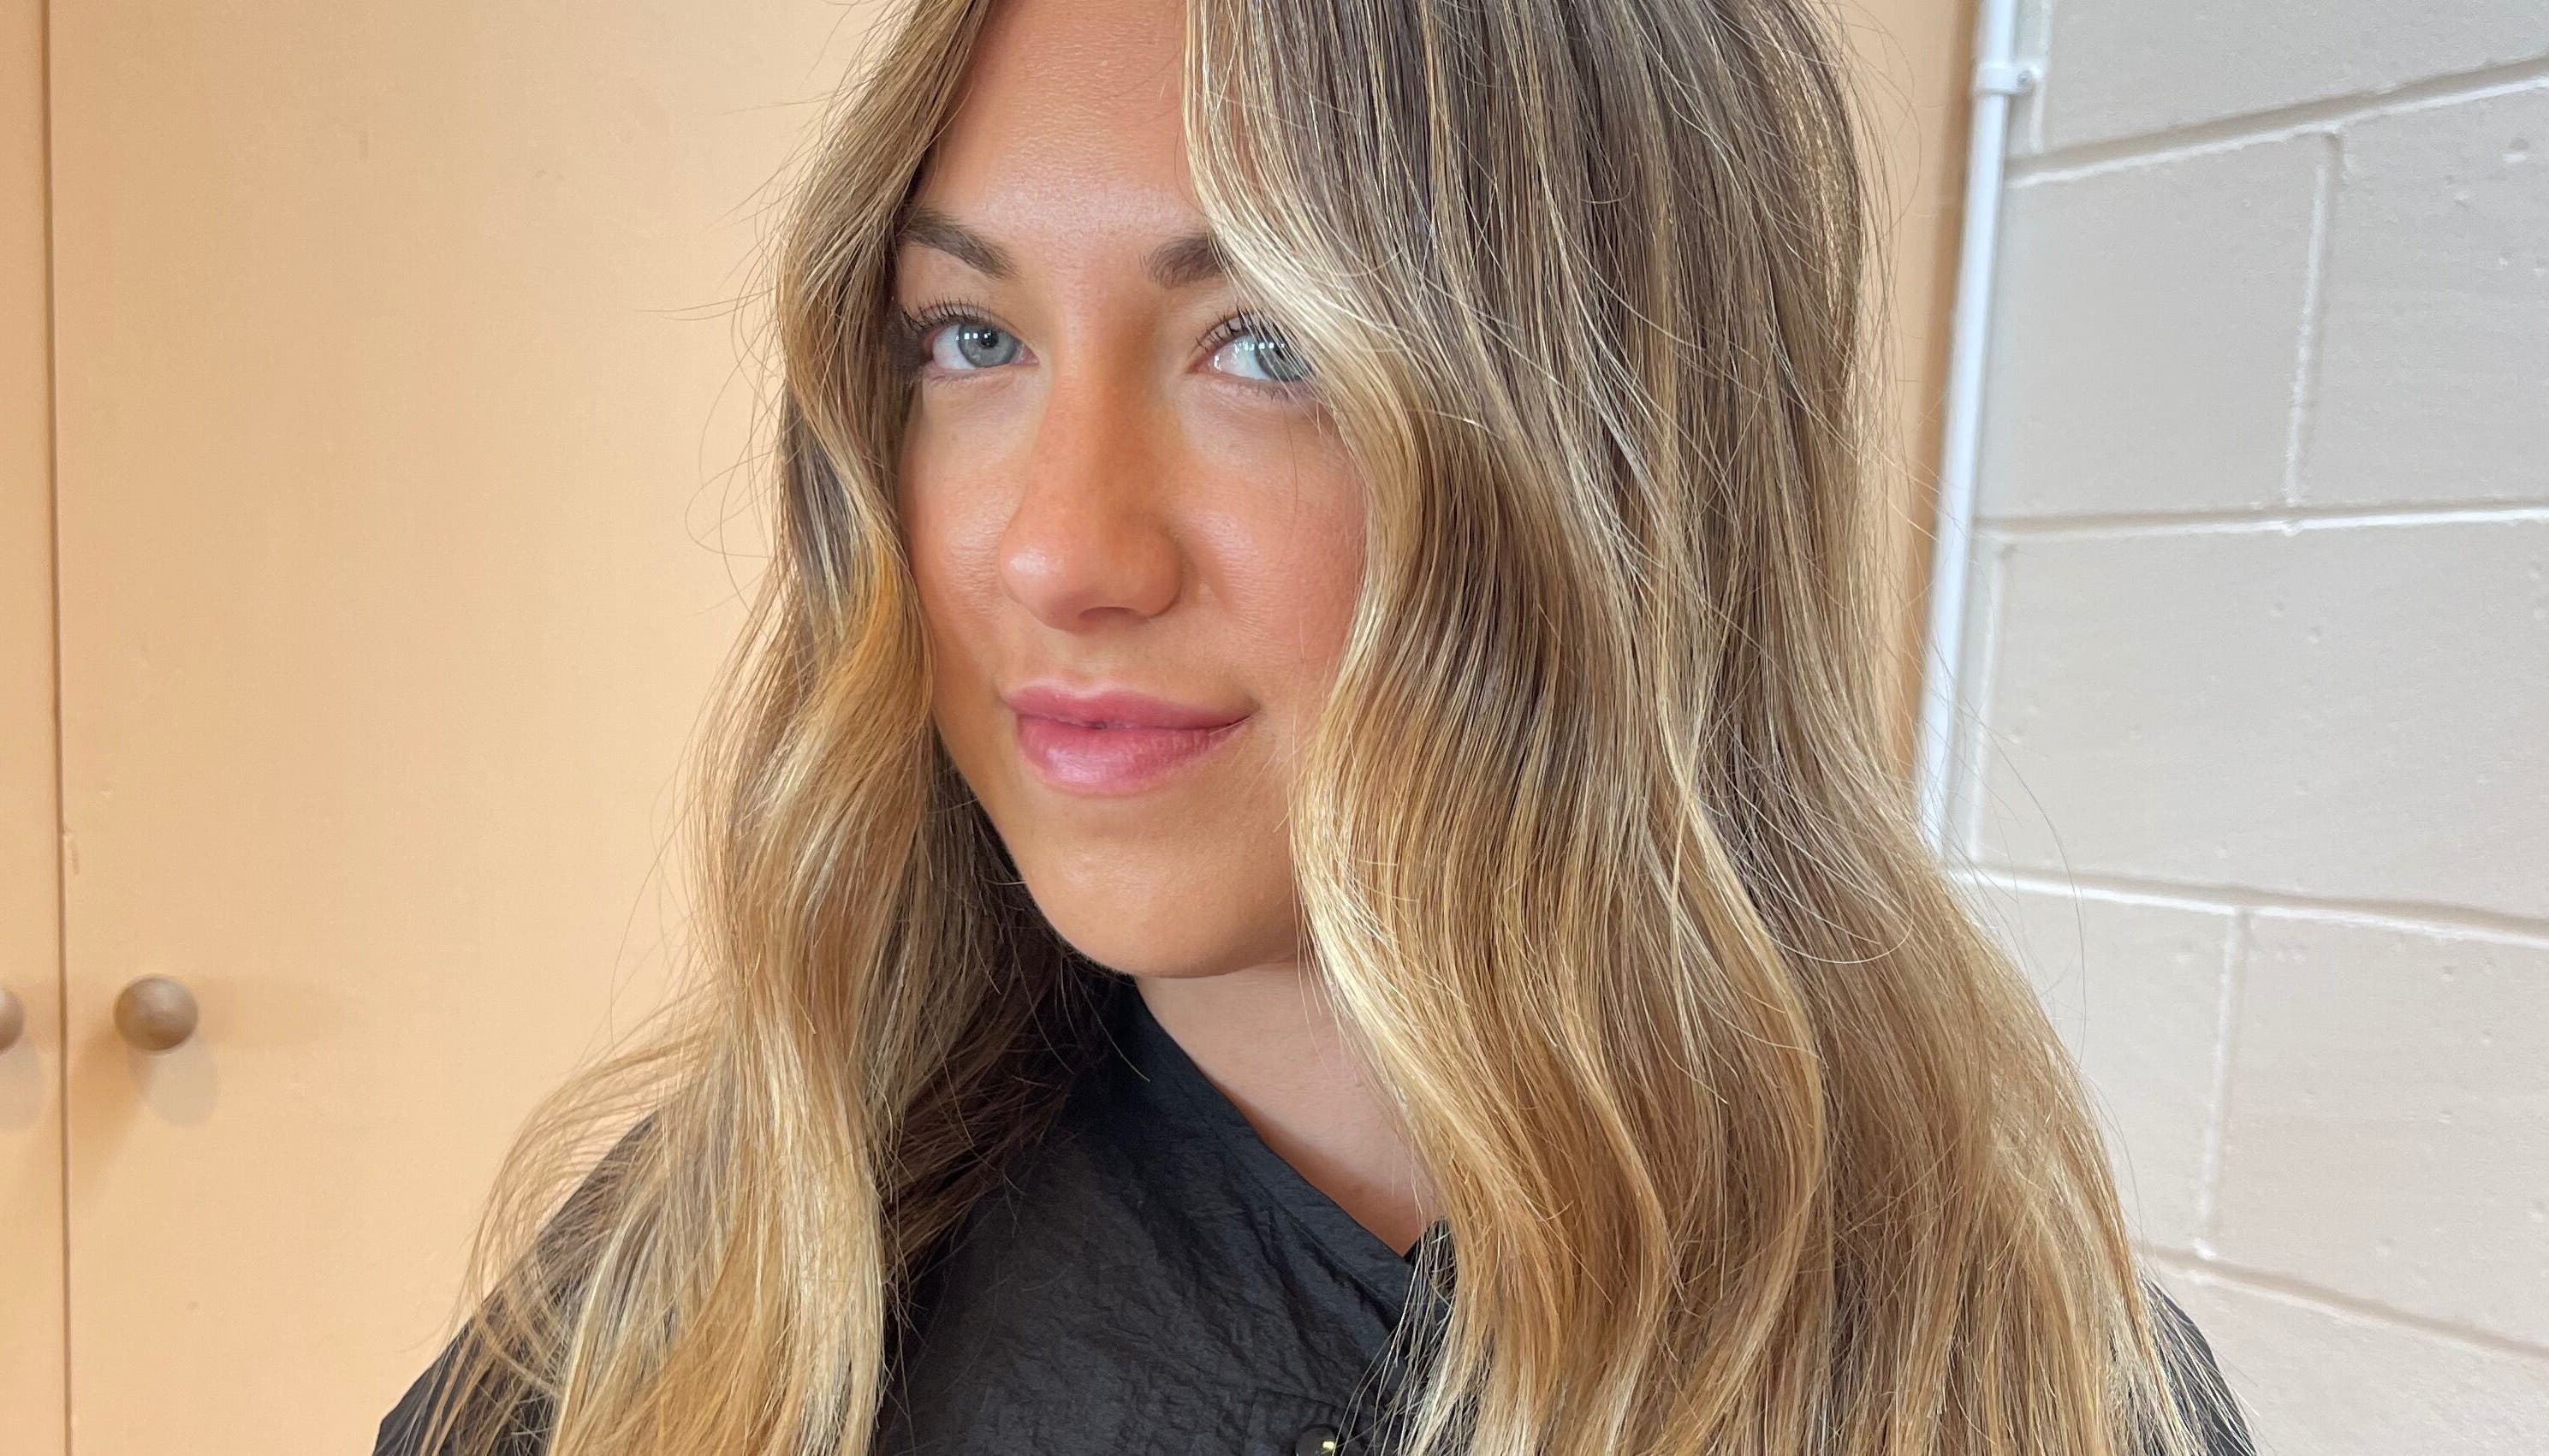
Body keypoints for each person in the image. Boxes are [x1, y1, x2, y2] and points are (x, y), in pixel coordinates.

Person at [375, 0, 2259, 1453]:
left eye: (1270, 345)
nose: (1051, 547)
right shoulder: (696, 1300)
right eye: (969, 335)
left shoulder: (2015, 1379)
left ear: (1620, 461)